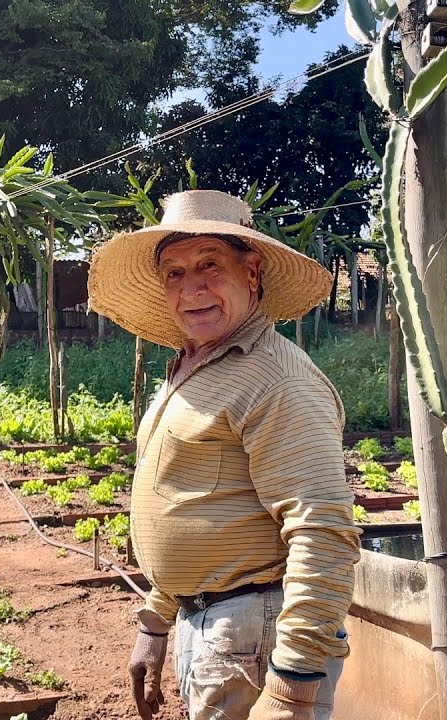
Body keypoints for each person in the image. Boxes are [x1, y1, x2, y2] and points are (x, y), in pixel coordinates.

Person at [87, 190, 361, 720]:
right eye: (174, 273)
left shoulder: (276, 378)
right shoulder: (197, 368)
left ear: (252, 272)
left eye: (209, 265)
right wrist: (155, 621)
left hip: (256, 636)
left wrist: (292, 687)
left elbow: (323, 533)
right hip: (218, 628)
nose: (192, 288)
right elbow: (193, 501)